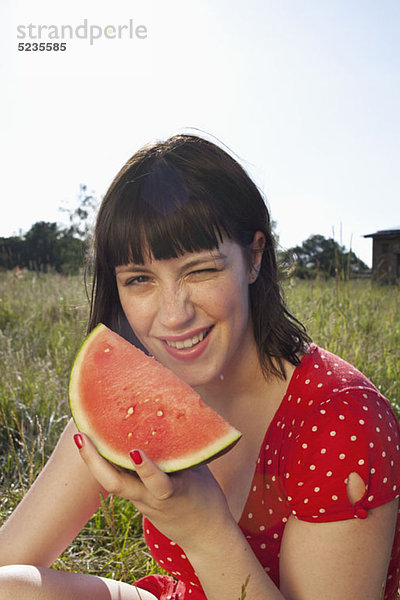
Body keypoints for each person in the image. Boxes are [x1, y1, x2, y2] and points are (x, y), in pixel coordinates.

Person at [0, 133, 399, 600]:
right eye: (140, 280)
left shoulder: (343, 422)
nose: (173, 315)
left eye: (201, 270)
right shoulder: (138, 393)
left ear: (253, 256)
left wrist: (206, 531)